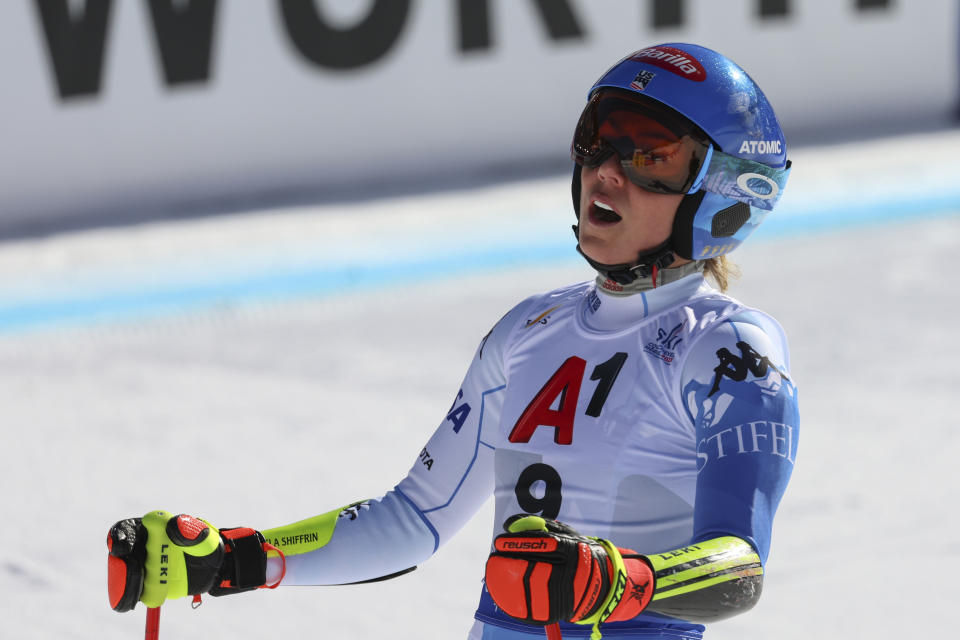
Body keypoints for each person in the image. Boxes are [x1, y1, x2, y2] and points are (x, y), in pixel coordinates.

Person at [107, 43, 798, 640]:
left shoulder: (729, 348)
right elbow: (413, 518)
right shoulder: (530, 331)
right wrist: (234, 558)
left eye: (650, 155)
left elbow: (739, 565)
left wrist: (618, 583)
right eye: (598, 138)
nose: (606, 170)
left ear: (725, 192)